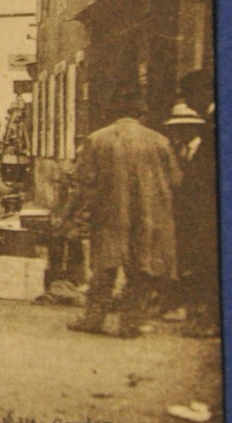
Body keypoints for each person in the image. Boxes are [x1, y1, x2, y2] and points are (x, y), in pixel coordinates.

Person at [63, 98, 182, 338]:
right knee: (141, 267)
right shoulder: (160, 141)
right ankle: (131, 322)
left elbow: (83, 181)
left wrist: (68, 214)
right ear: (141, 114)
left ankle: (94, 318)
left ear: (112, 113)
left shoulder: (98, 139)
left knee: (104, 266)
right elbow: (176, 179)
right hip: (149, 214)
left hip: (109, 212)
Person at [163, 102, 219, 337]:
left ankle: (201, 313)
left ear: (193, 128)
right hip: (180, 215)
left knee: (201, 261)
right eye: (176, 128)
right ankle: (184, 307)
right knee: (182, 258)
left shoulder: (207, 152)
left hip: (202, 216)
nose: (179, 132)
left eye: (184, 127)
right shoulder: (175, 150)